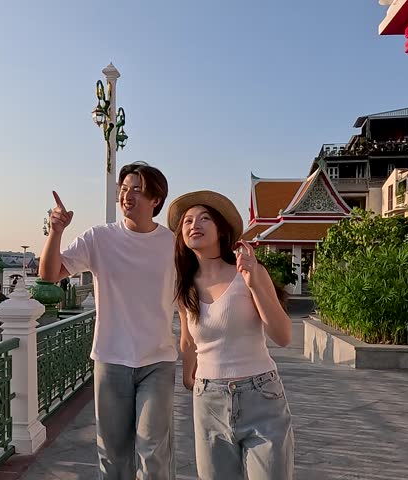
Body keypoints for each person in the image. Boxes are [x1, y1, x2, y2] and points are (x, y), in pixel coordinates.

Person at [40, 162, 176, 480]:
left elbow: (189, 296)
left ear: (156, 199)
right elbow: (49, 274)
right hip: (111, 359)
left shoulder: (171, 243)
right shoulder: (99, 238)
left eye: (137, 190)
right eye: (123, 189)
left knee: (152, 451)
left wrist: (192, 345)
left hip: (158, 360)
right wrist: (56, 231)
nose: (127, 196)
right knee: (113, 458)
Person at [168, 190, 294, 480]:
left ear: (221, 230)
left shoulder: (248, 272)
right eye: (187, 221)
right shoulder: (185, 287)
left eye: (204, 218)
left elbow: (283, 335)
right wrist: (190, 378)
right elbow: (188, 340)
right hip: (208, 399)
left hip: (260, 395)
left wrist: (255, 284)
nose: (193, 224)